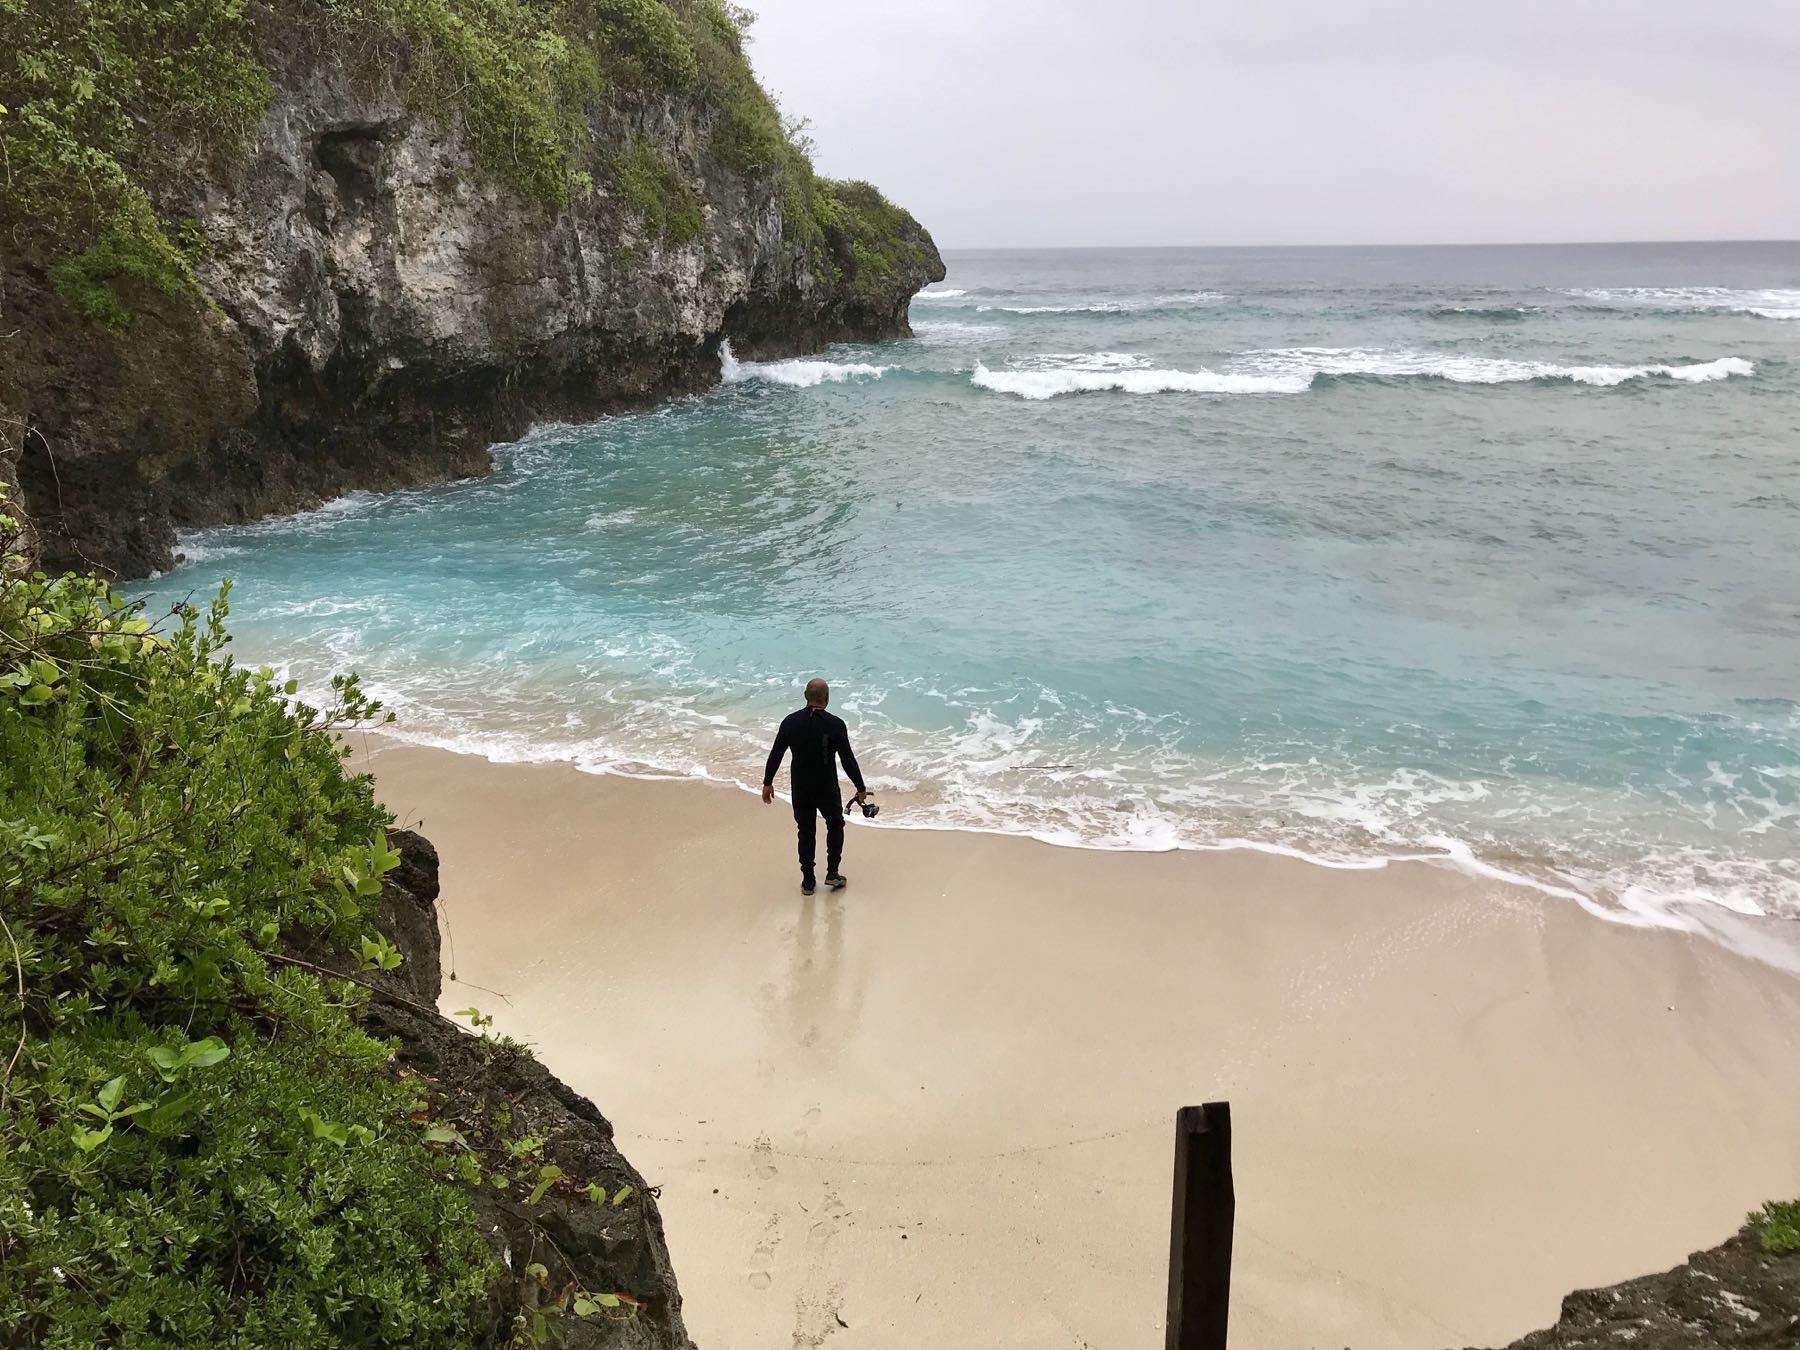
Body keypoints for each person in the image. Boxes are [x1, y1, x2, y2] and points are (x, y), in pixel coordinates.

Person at [761, 678, 868, 895]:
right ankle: (832, 873)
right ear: (826, 699)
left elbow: (776, 753)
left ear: (805, 696)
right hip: (826, 787)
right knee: (835, 825)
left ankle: (808, 881)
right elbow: (848, 759)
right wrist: (860, 787)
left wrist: (767, 782)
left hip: (801, 787)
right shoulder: (835, 725)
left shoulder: (790, 722)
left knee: (806, 831)